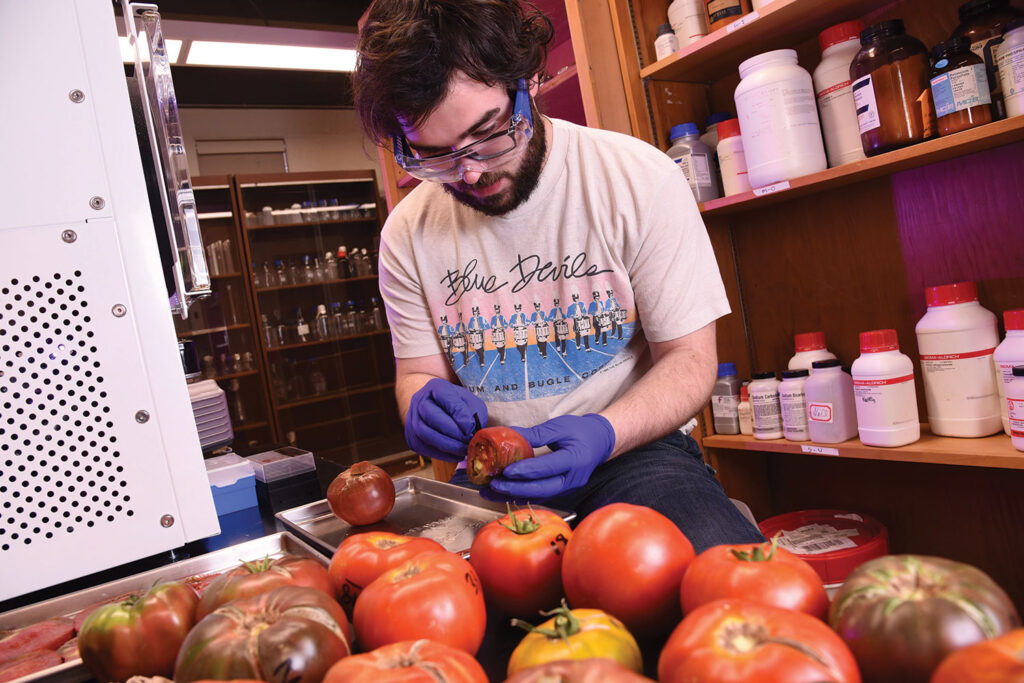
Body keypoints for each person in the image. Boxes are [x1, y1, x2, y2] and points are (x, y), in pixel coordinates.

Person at [353, 0, 763, 551]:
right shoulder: (407, 233)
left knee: (721, 589)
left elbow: (689, 361)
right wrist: (421, 405)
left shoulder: (639, 180)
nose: (469, 171)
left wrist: (606, 432)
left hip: (632, 455)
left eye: (488, 133)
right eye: (434, 156)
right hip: (489, 477)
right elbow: (417, 375)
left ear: (528, 83)